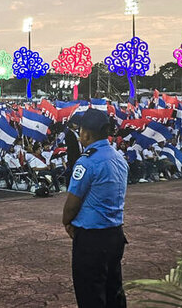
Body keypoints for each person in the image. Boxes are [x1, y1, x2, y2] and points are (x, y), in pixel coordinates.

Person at [63, 108, 129, 308]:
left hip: (91, 238)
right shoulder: (119, 158)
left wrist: (66, 221)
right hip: (115, 234)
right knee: (114, 291)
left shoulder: (87, 162)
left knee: (90, 294)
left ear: (86, 133)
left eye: (80, 130)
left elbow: (73, 202)